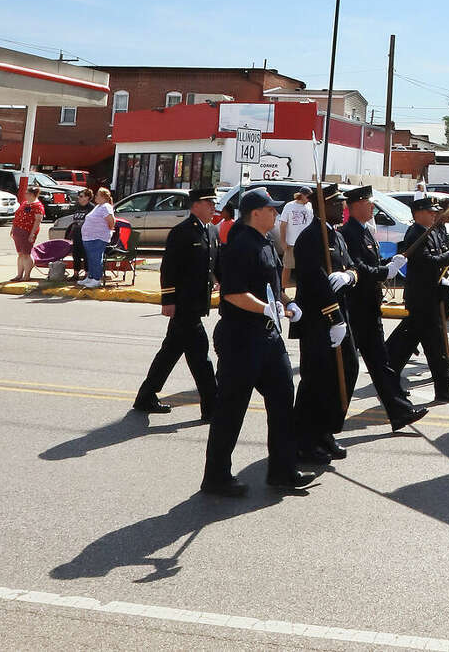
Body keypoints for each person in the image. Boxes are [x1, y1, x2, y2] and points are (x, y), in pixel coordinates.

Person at [201, 188, 312, 499]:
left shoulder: (265, 243)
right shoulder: (239, 246)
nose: (276, 214)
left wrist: (287, 303)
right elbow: (234, 294)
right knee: (231, 408)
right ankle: (216, 476)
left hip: (268, 337)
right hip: (241, 337)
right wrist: (265, 307)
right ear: (255, 213)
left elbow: (272, 287)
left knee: (282, 398)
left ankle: (282, 471)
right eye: (271, 209)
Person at [338, 185, 426, 433]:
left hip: (369, 308)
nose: (373, 207)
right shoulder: (349, 234)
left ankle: (399, 412)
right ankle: (329, 420)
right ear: (356, 206)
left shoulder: (365, 232)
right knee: (347, 367)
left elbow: (371, 265)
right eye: (369, 203)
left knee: (380, 363)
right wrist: (383, 272)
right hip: (356, 309)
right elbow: (357, 268)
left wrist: (390, 264)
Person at [133, 186, 219, 420]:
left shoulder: (210, 231)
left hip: (197, 304)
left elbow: (211, 264)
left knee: (170, 352)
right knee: (201, 357)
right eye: (208, 202)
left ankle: (145, 396)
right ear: (195, 205)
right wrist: (168, 300)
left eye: (213, 202)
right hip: (184, 305)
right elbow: (168, 269)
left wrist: (218, 280)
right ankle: (212, 407)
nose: (213, 207)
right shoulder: (182, 232)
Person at [291, 184, 359, 464]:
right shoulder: (311, 238)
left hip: (339, 316)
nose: (341, 209)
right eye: (336, 205)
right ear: (321, 207)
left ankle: (326, 430)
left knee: (348, 369)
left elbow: (352, 267)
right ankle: (304, 439)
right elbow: (314, 282)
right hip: (318, 320)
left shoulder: (336, 236)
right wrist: (334, 319)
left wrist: (349, 277)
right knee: (316, 379)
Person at [386, 197, 449, 404]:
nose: (434, 214)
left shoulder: (431, 232)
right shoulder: (416, 234)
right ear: (418, 213)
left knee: (419, 345)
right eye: (430, 211)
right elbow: (424, 262)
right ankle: (389, 380)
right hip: (422, 298)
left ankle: (442, 389)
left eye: (434, 212)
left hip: (432, 295)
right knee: (428, 345)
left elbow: (438, 259)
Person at [78, 187, 115, 288]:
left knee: (96, 258)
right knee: (90, 258)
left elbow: (111, 220)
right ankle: (90, 276)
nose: (96, 197)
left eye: (98, 195)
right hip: (89, 238)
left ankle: (96, 279)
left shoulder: (106, 206)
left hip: (98, 238)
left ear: (103, 197)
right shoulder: (98, 206)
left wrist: (108, 229)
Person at [277, 187, 313, 286]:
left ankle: (302, 288)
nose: (309, 199)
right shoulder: (289, 206)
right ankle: (282, 289)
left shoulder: (309, 206)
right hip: (292, 243)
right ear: (302, 195)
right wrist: (283, 241)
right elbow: (283, 224)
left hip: (306, 243)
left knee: (304, 268)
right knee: (287, 267)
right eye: (308, 197)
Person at [11, 185, 46, 282]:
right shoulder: (25, 203)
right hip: (18, 231)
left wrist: (32, 234)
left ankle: (27, 275)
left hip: (27, 231)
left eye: (27, 193)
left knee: (26, 253)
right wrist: (13, 228)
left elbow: (38, 220)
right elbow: (17, 216)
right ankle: (19, 275)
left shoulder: (37, 206)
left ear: (32, 194)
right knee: (20, 254)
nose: (25, 195)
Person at [67, 188, 94, 278]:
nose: (79, 198)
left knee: (86, 254)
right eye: (79, 196)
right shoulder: (78, 207)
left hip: (87, 235)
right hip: (76, 234)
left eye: (81, 196)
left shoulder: (91, 208)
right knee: (76, 254)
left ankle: (87, 273)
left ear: (87, 197)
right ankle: (75, 274)